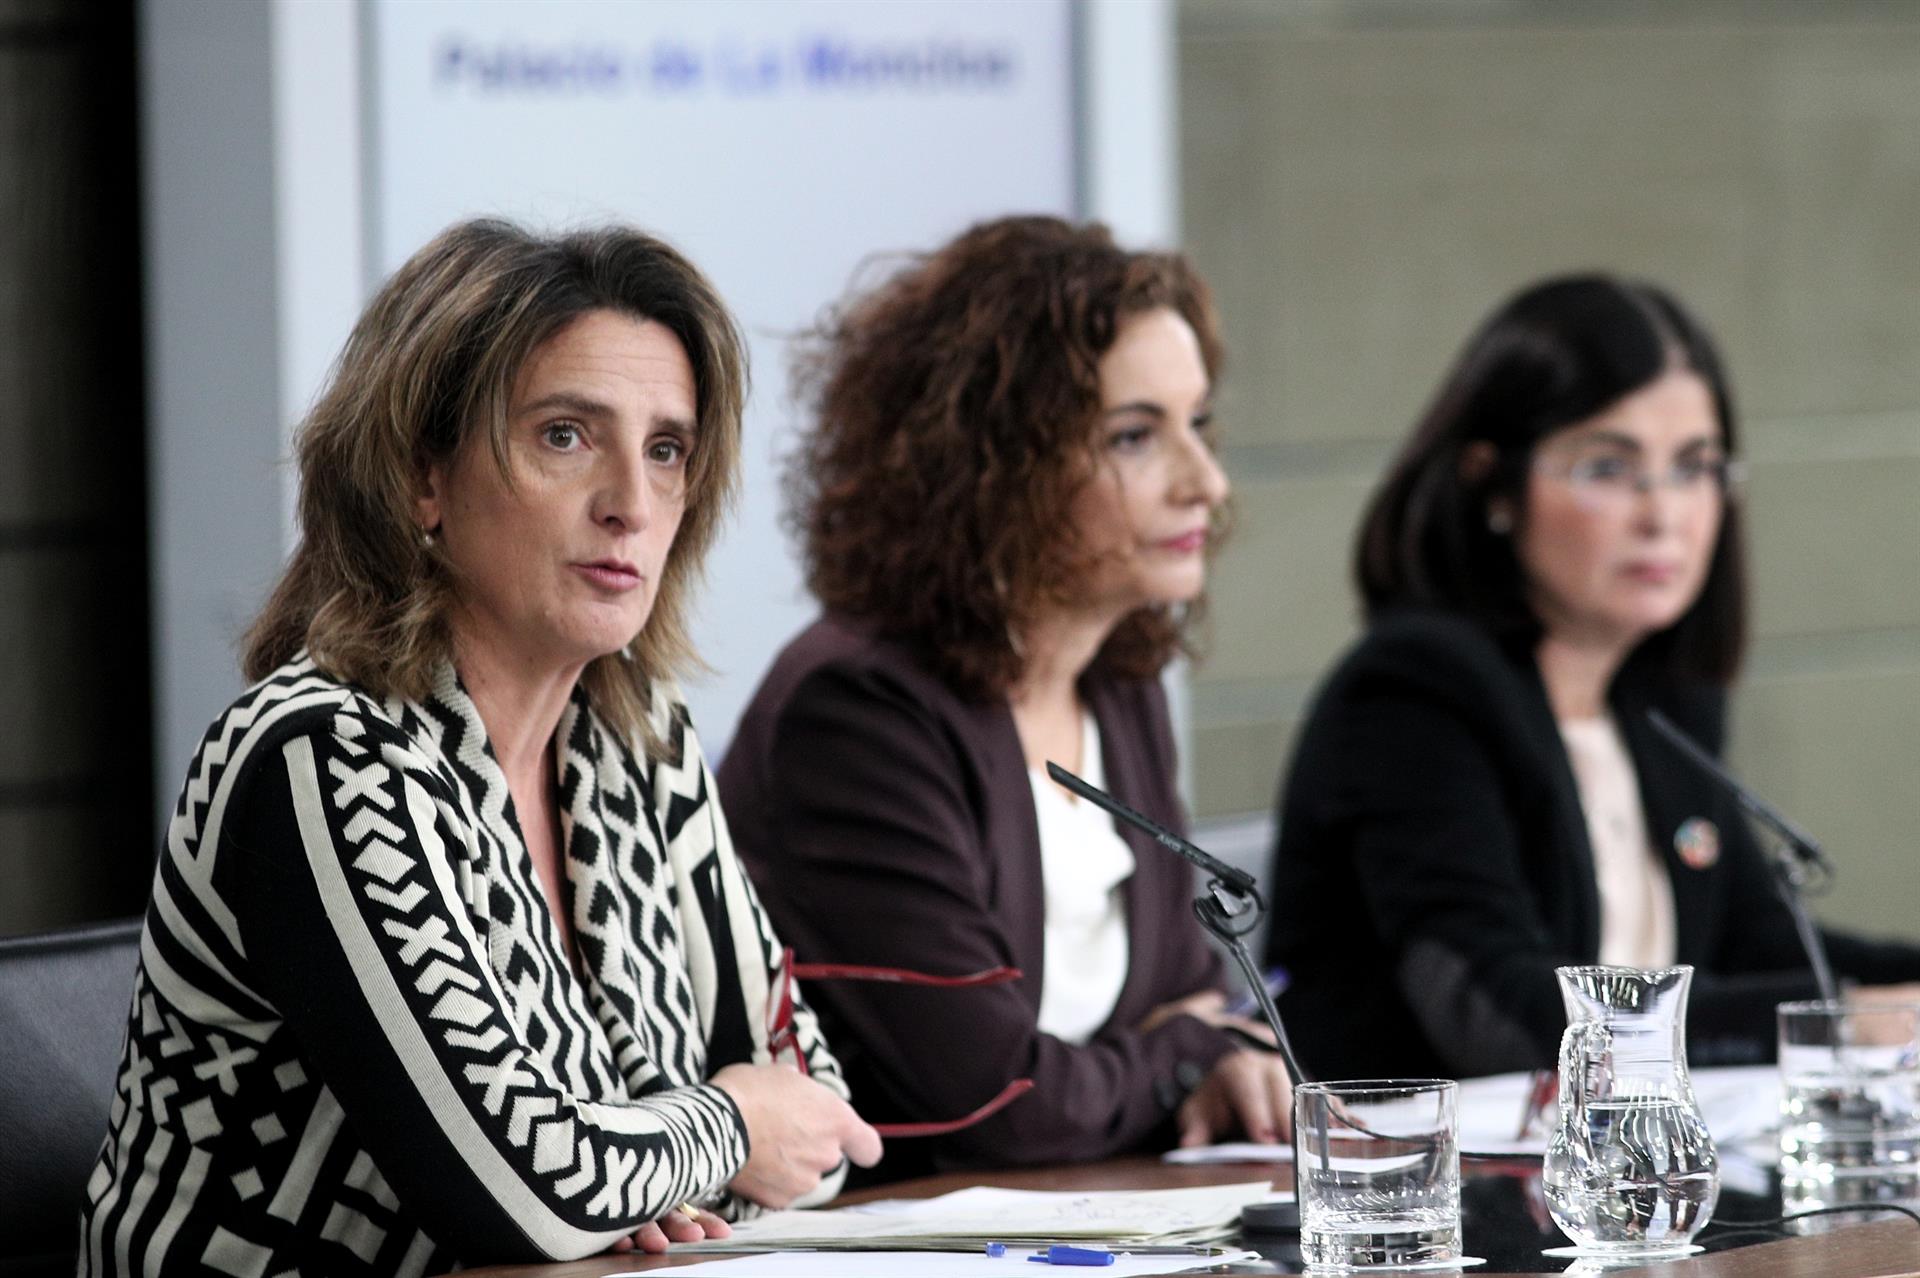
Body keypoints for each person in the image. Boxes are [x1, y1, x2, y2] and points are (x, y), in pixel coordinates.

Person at [78, 220, 880, 1277]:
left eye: (666, 450)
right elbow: (522, 1193)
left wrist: (635, 1165)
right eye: (565, 435)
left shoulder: (643, 749)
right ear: (422, 475)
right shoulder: (320, 760)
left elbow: (823, 1127)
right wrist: (718, 1132)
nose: (630, 505)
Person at [718, 216, 1291, 1184]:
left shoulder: (1120, 680)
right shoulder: (860, 711)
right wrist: (1182, 1055)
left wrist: (1191, 1042)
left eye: (1197, 425)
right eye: (1135, 436)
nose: (1207, 482)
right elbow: (989, 1103)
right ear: (995, 464)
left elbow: (1193, 988)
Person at [1264, 273, 1920, 1081]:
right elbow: (1497, 1014)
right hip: (1420, 1190)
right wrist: (1847, 1021)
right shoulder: (1414, 692)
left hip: (1624, 1185)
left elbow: (1760, 947)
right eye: (1610, 468)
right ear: (1493, 485)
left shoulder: (1662, 703)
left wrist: (1893, 990)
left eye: (1693, 467)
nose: (1663, 513)